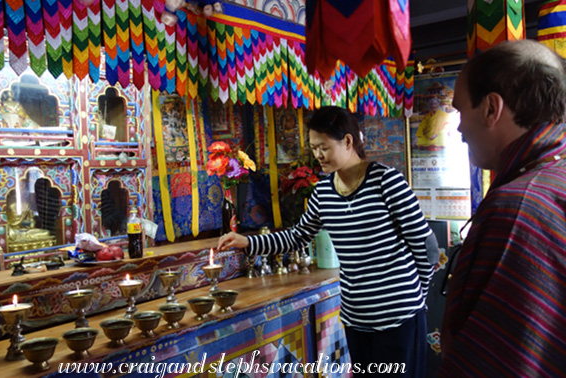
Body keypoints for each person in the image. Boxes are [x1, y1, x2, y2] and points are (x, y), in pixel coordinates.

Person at [218, 106, 434, 377]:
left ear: (347, 141)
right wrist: (247, 243)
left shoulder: (386, 181)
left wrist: (417, 298)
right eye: (314, 147)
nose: (318, 155)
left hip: (399, 318)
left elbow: (427, 248)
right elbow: (297, 237)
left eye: (324, 147)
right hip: (357, 320)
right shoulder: (323, 192)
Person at [440, 40, 566, 376]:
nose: (460, 128)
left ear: (491, 109)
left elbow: (500, 359)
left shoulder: (519, 207)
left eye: (459, 110)